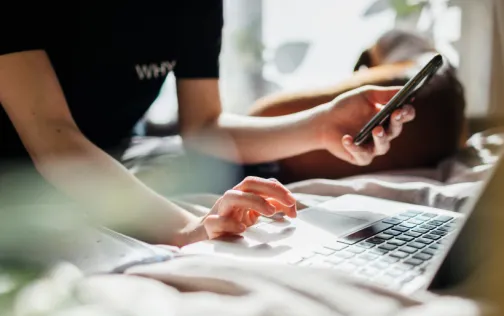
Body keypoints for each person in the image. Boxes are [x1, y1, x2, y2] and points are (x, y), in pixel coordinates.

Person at [0, 1, 414, 247]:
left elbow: (203, 127)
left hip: (111, 148)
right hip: (21, 160)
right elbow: (54, 139)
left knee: (246, 176)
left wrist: (321, 125)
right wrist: (186, 228)